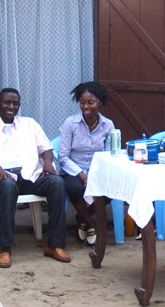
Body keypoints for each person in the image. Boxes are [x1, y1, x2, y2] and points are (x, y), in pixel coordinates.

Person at [0, 88, 71, 268]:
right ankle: (5, 249)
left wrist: (47, 162)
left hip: (31, 176)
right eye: (7, 102)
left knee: (58, 183)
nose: (11, 107)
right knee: (7, 187)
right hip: (3, 177)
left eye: (15, 103)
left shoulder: (30, 124)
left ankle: (55, 245)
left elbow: (46, 148)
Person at [58, 81, 115, 246]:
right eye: (82, 102)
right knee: (74, 187)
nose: (85, 106)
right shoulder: (71, 123)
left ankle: (82, 217)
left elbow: (108, 154)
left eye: (90, 102)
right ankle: (92, 224)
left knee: (111, 188)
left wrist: (94, 174)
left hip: (98, 170)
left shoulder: (108, 125)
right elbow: (63, 156)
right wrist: (82, 175)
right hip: (73, 169)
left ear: (100, 103)